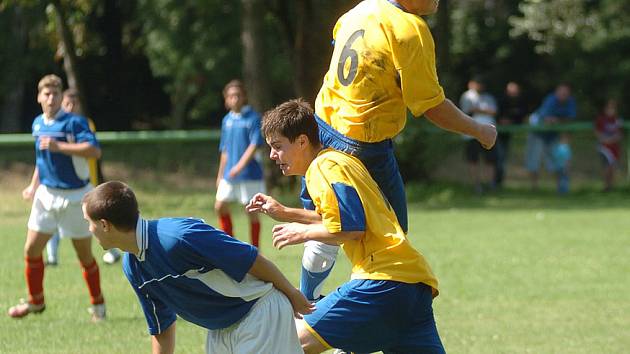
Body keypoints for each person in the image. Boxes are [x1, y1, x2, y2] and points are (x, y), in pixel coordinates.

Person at [290, 0, 497, 302]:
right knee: (388, 243)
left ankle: (305, 302)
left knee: (326, 220)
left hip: (321, 129)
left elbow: (346, 50)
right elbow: (431, 106)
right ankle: (346, 325)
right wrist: (479, 130)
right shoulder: (410, 30)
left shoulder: (360, 9)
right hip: (361, 143)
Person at [249, 99, 445, 353]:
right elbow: (341, 218)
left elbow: (353, 227)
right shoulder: (338, 161)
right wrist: (285, 213)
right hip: (413, 284)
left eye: (277, 147)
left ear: (301, 141)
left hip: (382, 281)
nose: (273, 156)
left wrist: (301, 232)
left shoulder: (322, 168)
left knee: (284, 344)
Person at [81, 181, 313, 354]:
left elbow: (250, 259)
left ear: (104, 224)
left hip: (259, 312)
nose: (88, 230)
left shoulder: (179, 237)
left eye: (88, 223)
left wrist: (291, 293)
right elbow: (161, 325)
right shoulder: (132, 266)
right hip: (219, 329)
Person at [8, 74, 106, 321]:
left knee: (84, 255)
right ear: (39, 97)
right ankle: (36, 302)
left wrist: (59, 146)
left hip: (75, 197)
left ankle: (98, 306)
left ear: (62, 97)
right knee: (31, 249)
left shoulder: (74, 123)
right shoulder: (37, 123)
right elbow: (42, 161)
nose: (51, 98)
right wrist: (33, 186)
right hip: (46, 195)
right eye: (46, 94)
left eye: (55, 93)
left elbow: (94, 151)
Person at [45, 88, 121, 266]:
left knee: (93, 220)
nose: (70, 107)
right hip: (60, 184)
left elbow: (92, 150)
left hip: (83, 184)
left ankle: (113, 250)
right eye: (67, 104)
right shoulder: (53, 125)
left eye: (74, 104)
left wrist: (61, 146)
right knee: (52, 217)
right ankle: (52, 257)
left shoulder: (83, 123)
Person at [215, 80, 265, 248]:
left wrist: (240, 166)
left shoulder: (253, 118)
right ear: (226, 100)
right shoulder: (227, 120)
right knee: (220, 206)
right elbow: (225, 150)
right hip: (229, 175)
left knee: (250, 211)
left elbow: (254, 144)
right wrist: (220, 174)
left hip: (249, 175)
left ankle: (255, 249)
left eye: (237, 95)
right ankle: (231, 245)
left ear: (244, 97)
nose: (234, 99)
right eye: (231, 96)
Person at [525, 83, 576, 193]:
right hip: (537, 134)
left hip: (553, 135)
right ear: (556, 93)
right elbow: (548, 119)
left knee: (560, 160)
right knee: (534, 161)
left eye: (566, 93)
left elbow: (570, 119)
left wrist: (557, 121)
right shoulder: (550, 100)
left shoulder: (570, 101)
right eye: (561, 93)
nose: (563, 95)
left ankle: (561, 189)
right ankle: (534, 189)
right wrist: (559, 120)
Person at [459, 77, 498, 193]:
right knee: (473, 160)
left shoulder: (488, 97)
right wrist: (484, 110)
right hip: (471, 135)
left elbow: (494, 111)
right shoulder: (466, 96)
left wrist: (478, 109)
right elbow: (467, 111)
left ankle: (490, 185)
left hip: (488, 134)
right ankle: (477, 186)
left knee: (490, 160)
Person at [496, 81, 528, 187]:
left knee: (502, 158)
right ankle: (495, 182)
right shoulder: (501, 100)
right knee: (498, 158)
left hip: (507, 135)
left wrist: (512, 121)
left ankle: (498, 183)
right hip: (497, 134)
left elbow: (521, 116)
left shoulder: (520, 101)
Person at [594, 99, 623, 191]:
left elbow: (619, 135)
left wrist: (611, 139)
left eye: (613, 108)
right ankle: (606, 186)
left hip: (614, 148)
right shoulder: (601, 119)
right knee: (606, 166)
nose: (611, 110)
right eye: (609, 108)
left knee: (613, 167)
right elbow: (597, 133)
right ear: (605, 109)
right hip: (604, 148)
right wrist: (606, 140)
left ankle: (611, 186)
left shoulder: (617, 120)